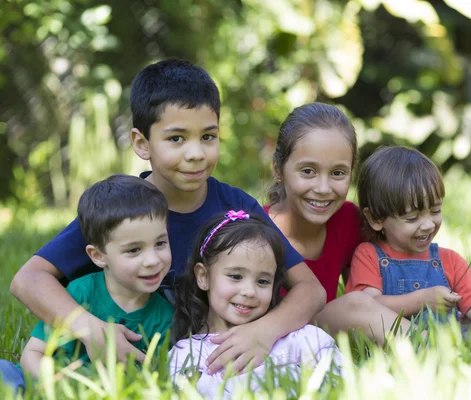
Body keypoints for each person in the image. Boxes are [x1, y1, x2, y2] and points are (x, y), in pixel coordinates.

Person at [10, 59, 325, 375]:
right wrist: (90, 329)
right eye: (177, 138)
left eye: (208, 136)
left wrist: (265, 331)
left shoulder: (235, 207)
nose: (196, 153)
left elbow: (310, 290)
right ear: (142, 143)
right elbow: (29, 279)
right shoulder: (122, 209)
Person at [0, 175, 173, 392]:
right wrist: (58, 389)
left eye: (160, 243)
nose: (153, 260)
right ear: (98, 256)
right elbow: (32, 355)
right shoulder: (79, 293)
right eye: (134, 250)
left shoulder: (165, 318)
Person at [265, 103, 414, 344]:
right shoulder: (255, 230)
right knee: (354, 306)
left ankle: (447, 336)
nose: (323, 189)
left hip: (323, 333)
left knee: (360, 303)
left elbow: (382, 293)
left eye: (337, 173)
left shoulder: (348, 220)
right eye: (308, 171)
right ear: (278, 169)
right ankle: (438, 347)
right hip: (269, 337)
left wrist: (469, 308)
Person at [346, 146, 471, 325]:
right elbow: (367, 307)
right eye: (412, 217)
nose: (428, 224)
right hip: (394, 345)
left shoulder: (449, 260)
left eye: (435, 211)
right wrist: (424, 299)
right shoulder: (369, 255)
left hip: (445, 343)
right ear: (376, 219)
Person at [169, 210, 340, 399]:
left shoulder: (301, 338)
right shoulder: (190, 356)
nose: (250, 291)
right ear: (203, 277)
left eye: (263, 281)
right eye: (236, 276)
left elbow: (343, 381)